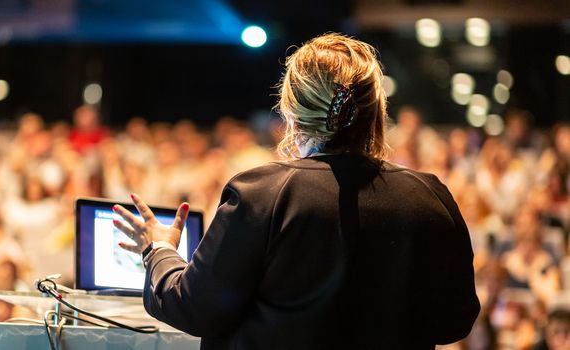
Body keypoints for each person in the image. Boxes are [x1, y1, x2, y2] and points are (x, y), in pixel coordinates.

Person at [112, 33, 479, 349]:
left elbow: (194, 307)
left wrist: (157, 249)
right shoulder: (431, 198)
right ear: (376, 112)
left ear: (291, 113)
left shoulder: (262, 194)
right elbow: (455, 321)